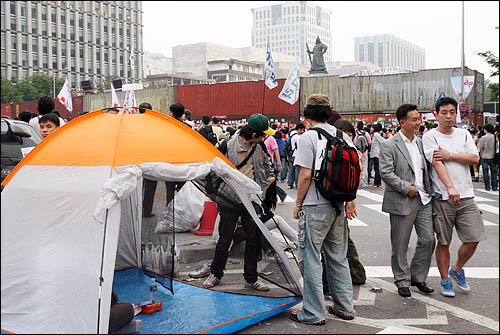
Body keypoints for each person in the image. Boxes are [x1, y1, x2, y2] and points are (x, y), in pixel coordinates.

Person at [290, 94, 356, 326]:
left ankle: (314, 312)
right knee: (338, 257)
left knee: (311, 259)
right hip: (338, 205)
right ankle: (345, 306)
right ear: (329, 114)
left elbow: (305, 174)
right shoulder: (344, 137)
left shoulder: (307, 137)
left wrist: (298, 204)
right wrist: (350, 200)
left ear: (307, 116)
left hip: (315, 206)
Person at [202, 113, 276, 292]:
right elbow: (212, 168)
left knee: (253, 239)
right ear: (252, 134)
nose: (264, 137)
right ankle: (216, 274)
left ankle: (251, 278)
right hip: (229, 200)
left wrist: (267, 181)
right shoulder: (227, 145)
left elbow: (267, 166)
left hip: (252, 200)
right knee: (225, 238)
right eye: (261, 134)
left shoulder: (258, 146)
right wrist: (215, 191)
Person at [422, 97, 485, 298]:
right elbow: (436, 163)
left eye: (452, 112)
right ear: (436, 114)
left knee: (474, 237)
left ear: (456, 113)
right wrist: (450, 187)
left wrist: (450, 155)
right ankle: (444, 279)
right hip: (443, 197)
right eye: (444, 112)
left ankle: (456, 269)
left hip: (466, 195)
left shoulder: (464, 134)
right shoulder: (430, 136)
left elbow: (475, 158)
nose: (448, 116)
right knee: (443, 241)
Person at [379, 104, 435, 298]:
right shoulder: (389, 144)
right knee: (400, 244)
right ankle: (402, 280)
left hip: (424, 199)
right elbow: (386, 173)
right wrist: (406, 188)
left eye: (419, 119)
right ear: (402, 122)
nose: (418, 122)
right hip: (403, 199)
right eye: (414, 119)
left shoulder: (420, 142)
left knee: (428, 239)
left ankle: (418, 277)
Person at [264, 131, 287, 203]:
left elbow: (276, 152)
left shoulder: (271, 139)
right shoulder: (261, 139)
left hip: (269, 163)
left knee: (269, 182)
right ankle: (281, 195)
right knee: (268, 182)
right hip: (263, 163)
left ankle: (282, 194)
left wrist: (279, 164)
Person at [478, 124, 498, 191]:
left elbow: (481, 148)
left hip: (485, 156)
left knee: (485, 172)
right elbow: (497, 147)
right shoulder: (495, 137)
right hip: (493, 156)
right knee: (493, 172)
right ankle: (494, 186)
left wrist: (480, 156)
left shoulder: (483, 137)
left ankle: (487, 187)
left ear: (486, 130)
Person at [287, 123, 306, 189]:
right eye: (302, 130)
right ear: (299, 129)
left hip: (291, 155)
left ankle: (290, 184)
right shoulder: (298, 137)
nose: (303, 131)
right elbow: (300, 147)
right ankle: (297, 184)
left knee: (291, 170)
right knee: (297, 171)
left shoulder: (291, 135)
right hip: (297, 155)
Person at [354, 121, 371, 188]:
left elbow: (354, 143)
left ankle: (358, 182)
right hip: (365, 152)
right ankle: (364, 182)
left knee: (358, 167)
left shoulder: (355, 134)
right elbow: (369, 142)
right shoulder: (366, 133)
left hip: (357, 152)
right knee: (365, 167)